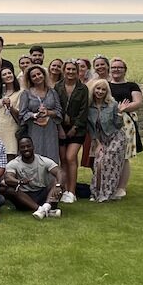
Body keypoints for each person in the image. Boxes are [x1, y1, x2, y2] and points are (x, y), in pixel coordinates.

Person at [18, 65, 64, 193]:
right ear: (30, 79)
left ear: (44, 75)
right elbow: (22, 114)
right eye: (33, 76)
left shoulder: (52, 92)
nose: (37, 77)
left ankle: (52, 189)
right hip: (34, 129)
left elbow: (59, 111)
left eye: (39, 74)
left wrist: (48, 113)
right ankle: (34, 189)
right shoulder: (26, 94)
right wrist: (34, 115)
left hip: (50, 129)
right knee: (35, 157)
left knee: (51, 157)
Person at [87, 79, 131, 202]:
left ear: (107, 91)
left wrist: (120, 113)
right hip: (101, 140)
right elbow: (91, 128)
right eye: (98, 88)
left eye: (103, 89)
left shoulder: (112, 105)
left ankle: (107, 194)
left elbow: (118, 125)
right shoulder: (89, 107)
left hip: (116, 137)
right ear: (93, 90)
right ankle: (96, 192)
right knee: (98, 164)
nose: (100, 91)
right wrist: (97, 143)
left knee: (109, 162)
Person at [3, 137, 63, 219]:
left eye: (28, 146)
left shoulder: (43, 160)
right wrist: (19, 181)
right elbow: (8, 178)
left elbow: (60, 172)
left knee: (58, 180)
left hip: (43, 193)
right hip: (24, 197)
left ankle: (45, 207)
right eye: (22, 147)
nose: (26, 149)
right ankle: (42, 209)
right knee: (10, 190)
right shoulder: (14, 163)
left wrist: (58, 186)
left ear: (33, 147)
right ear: (19, 149)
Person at [109, 57, 143, 199]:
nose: (116, 70)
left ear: (125, 70)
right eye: (114, 67)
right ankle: (109, 184)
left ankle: (121, 187)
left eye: (119, 67)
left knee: (124, 155)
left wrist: (122, 108)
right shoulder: (105, 84)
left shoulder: (131, 86)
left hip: (126, 123)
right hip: (108, 122)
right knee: (108, 154)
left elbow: (137, 102)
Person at [56, 59, 89, 198]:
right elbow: (55, 106)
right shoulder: (57, 87)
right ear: (64, 71)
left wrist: (74, 127)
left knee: (71, 157)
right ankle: (64, 190)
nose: (70, 72)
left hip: (78, 129)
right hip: (60, 128)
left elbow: (84, 110)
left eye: (73, 69)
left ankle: (72, 191)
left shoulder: (83, 89)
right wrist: (60, 127)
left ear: (78, 71)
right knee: (63, 159)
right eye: (68, 69)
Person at [0, 68, 24, 159]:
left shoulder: (21, 92)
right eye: (4, 74)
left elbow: (20, 112)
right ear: (1, 78)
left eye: (9, 73)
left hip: (12, 125)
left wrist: (10, 107)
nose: (8, 75)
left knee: (10, 152)